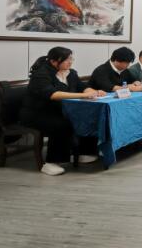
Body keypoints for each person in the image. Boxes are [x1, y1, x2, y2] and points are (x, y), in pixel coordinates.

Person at [19, 47, 106, 176]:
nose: (70, 62)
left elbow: (82, 87)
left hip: (59, 110)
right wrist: (83, 95)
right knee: (62, 124)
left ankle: (83, 152)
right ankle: (51, 163)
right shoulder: (41, 74)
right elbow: (53, 94)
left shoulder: (71, 73)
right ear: (54, 61)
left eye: (71, 59)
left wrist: (94, 92)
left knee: (87, 117)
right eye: (66, 60)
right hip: (37, 113)